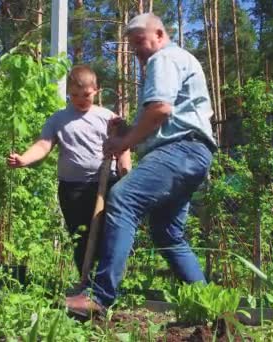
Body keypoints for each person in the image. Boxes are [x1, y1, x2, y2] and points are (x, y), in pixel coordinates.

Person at [66, 13, 217, 316]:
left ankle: (99, 296)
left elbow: (160, 110)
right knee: (166, 232)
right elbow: (160, 119)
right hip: (193, 154)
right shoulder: (180, 60)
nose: (137, 52)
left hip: (180, 150)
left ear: (159, 34)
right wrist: (128, 131)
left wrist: (124, 143)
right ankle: (206, 305)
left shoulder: (164, 59)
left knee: (123, 198)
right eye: (133, 48)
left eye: (139, 44)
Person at [8, 65, 131, 275]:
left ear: (96, 91)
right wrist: (24, 159)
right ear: (68, 93)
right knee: (79, 235)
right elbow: (43, 145)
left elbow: (122, 147)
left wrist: (125, 171)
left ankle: (105, 284)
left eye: (86, 95)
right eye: (74, 95)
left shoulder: (107, 118)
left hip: (104, 185)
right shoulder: (58, 119)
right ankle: (85, 281)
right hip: (71, 189)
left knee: (107, 235)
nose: (81, 99)